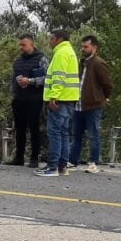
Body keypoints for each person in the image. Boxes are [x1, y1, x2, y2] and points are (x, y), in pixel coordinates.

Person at [35, 29, 80, 177]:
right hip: (69, 99)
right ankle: (62, 167)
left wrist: (53, 97)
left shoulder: (61, 53)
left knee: (54, 133)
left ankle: (53, 167)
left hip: (60, 99)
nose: (50, 41)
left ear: (59, 39)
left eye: (52, 38)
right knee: (63, 133)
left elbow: (59, 77)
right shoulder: (70, 51)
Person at [68, 35, 114, 173]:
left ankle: (93, 162)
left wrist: (103, 98)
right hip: (79, 104)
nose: (83, 49)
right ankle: (72, 160)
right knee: (76, 134)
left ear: (94, 48)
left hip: (93, 105)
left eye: (86, 47)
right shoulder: (82, 62)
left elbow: (108, 84)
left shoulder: (98, 63)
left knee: (93, 135)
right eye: (82, 46)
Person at [8, 34, 48, 166]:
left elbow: (47, 78)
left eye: (23, 45)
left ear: (31, 44)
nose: (21, 47)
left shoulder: (41, 59)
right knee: (19, 129)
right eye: (20, 45)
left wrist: (30, 81)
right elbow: (12, 79)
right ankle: (19, 157)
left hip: (34, 99)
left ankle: (34, 158)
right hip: (19, 99)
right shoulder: (18, 61)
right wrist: (13, 92)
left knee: (34, 128)